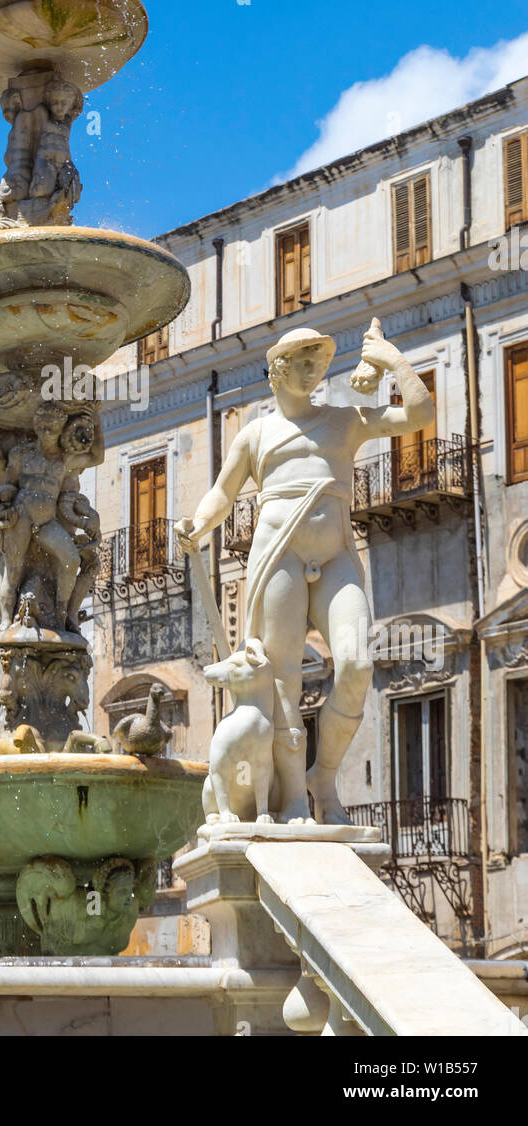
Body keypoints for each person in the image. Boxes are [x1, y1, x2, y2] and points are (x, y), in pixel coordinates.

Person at [177, 326, 434, 824]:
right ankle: (295, 796)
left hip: (336, 553)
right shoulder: (255, 435)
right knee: (283, 682)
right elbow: (222, 494)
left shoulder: (347, 420)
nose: (314, 368)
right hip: (279, 555)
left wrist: (391, 358)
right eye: (303, 359)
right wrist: (198, 524)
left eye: (320, 360)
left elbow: (420, 414)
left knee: (357, 665)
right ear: (277, 368)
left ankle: (325, 775)